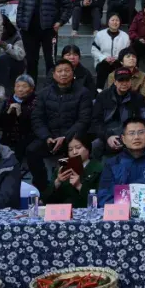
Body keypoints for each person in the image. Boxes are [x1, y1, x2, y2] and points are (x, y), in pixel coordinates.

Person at [28, 59, 93, 192]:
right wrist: (47, 137)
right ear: (54, 74)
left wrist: (65, 137)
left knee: (76, 150)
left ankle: (73, 189)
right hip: (50, 138)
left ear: (73, 73)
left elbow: (84, 120)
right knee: (31, 150)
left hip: (73, 137)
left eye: (67, 70)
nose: (63, 74)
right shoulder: (44, 93)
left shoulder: (83, 93)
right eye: (60, 71)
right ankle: (43, 187)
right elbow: (37, 118)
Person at [16, 0, 71, 78]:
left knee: (50, 61)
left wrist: (60, 22)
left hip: (49, 30)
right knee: (31, 61)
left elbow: (68, 7)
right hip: (29, 30)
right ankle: (31, 87)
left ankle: (50, 86)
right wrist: (20, 22)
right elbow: (21, 5)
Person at [98, 117, 145, 204]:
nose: (136, 137)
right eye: (131, 133)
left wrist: (140, 207)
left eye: (141, 132)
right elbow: (104, 197)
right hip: (120, 211)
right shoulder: (112, 164)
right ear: (123, 138)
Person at [43, 137, 102, 207]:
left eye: (78, 147)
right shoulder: (62, 169)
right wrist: (57, 182)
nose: (74, 152)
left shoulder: (99, 168)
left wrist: (79, 186)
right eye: (70, 149)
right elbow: (45, 200)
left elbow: (101, 201)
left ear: (88, 148)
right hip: (64, 211)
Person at [0, 74, 36, 162]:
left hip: (27, 138)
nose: (20, 89)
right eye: (17, 86)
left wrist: (20, 114)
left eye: (24, 86)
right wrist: (8, 112)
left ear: (32, 88)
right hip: (8, 138)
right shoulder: (7, 101)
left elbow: (32, 126)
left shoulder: (36, 102)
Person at [91, 13, 131, 90]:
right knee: (103, 67)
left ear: (120, 22)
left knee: (118, 69)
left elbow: (127, 52)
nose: (115, 22)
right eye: (112, 20)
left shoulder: (125, 36)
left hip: (118, 62)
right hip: (102, 61)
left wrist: (118, 59)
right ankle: (99, 90)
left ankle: (115, 91)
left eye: (117, 20)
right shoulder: (100, 34)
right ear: (108, 22)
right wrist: (104, 58)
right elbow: (94, 50)